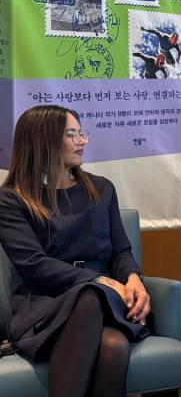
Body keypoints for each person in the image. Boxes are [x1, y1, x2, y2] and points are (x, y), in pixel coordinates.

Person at [0, 105, 151, 397]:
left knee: (111, 339)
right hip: (46, 302)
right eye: (72, 134)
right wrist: (96, 280)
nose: (83, 141)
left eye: (81, 133)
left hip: (105, 298)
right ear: (43, 141)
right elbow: (33, 264)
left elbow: (120, 251)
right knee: (110, 337)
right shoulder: (11, 199)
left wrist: (134, 279)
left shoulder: (101, 188)